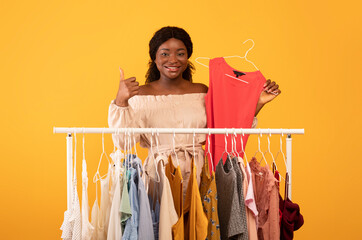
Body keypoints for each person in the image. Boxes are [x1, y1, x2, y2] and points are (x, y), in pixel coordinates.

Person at [108, 26, 281, 194]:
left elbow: (228, 129)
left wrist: (258, 102)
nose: (173, 59)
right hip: (158, 176)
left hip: (200, 174)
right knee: (161, 223)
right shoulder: (140, 95)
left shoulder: (202, 92)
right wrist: (121, 100)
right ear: (154, 57)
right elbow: (123, 143)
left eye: (180, 53)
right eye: (165, 53)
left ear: (188, 57)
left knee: (199, 223)